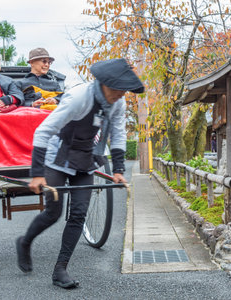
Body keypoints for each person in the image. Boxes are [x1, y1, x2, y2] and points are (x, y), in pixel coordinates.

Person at [15, 58, 144, 289]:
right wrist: (37, 173)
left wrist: (119, 169)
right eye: (119, 89)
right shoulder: (78, 98)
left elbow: (118, 133)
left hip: (85, 158)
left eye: (125, 91)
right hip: (58, 156)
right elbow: (43, 132)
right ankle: (25, 242)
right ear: (105, 83)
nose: (123, 95)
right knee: (53, 212)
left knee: (78, 214)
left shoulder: (116, 103)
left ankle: (60, 269)